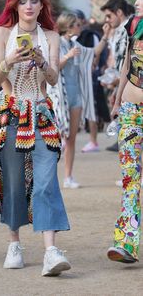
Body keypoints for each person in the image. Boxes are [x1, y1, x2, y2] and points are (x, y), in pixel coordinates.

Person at [0, 0, 71, 276]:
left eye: (34, 1)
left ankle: (50, 251)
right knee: (12, 180)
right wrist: (10, 59)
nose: (28, 6)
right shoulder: (1, 34)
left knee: (47, 179)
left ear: (41, 5)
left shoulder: (51, 37)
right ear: (15, 4)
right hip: (10, 114)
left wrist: (43, 62)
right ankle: (14, 243)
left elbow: (52, 80)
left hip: (41, 114)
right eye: (23, 1)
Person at [48, 13, 111, 188]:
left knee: (71, 138)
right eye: (77, 24)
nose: (80, 27)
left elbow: (94, 53)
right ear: (68, 26)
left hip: (76, 97)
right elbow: (51, 69)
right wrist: (67, 56)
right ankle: (50, 178)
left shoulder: (75, 44)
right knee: (56, 138)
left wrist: (105, 36)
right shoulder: (57, 44)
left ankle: (68, 177)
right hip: (59, 97)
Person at [107, 0, 143, 264]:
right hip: (131, 111)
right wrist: (118, 101)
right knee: (131, 179)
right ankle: (126, 244)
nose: (136, 2)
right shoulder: (133, 26)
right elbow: (125, 67)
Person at [73, 9, 110, 153]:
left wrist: (93, 66)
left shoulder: (90, 35)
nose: (75, 24)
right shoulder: (68, 38)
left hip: (89, 77)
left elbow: (96, 54)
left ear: (83, 21)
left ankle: (93, 141)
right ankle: (65, 139)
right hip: (72, 78)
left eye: (76, 20)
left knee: (91, 109)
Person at [100, 0, 132, 153]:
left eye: (109, 16)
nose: (107, 20)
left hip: (130, 87)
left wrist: (118, 83)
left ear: (119, 12)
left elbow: (131, 63)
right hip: (122, 86)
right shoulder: (119, 31)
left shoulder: (129, 30)